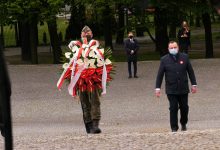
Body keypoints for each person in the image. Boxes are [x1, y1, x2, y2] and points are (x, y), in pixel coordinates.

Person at [155, 41, 197, 132]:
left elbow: (190, 71)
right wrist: (157, 88)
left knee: (184, 107)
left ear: (178, 47)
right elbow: (160, 75)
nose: (173, 49)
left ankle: (183, 123)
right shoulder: (164, 59)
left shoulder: (184, 57)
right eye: (171, 48)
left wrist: (194, 84)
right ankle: (174, 128)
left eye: (174, 47)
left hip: (183, 88)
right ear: (168, 49)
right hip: (171, 89)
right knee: (173, 108)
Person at [68, 26, 102, 134]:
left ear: (91, 35)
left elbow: (101, 61)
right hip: (81, 80)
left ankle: (95, 124)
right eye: (83, 35)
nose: (85, 36)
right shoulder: (76, 48)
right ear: (81, 36)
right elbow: (72, 65)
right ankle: (88, 125)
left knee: (95, 101)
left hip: (93, 79)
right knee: (84, 102)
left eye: (87, 34)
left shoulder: (94, 46)